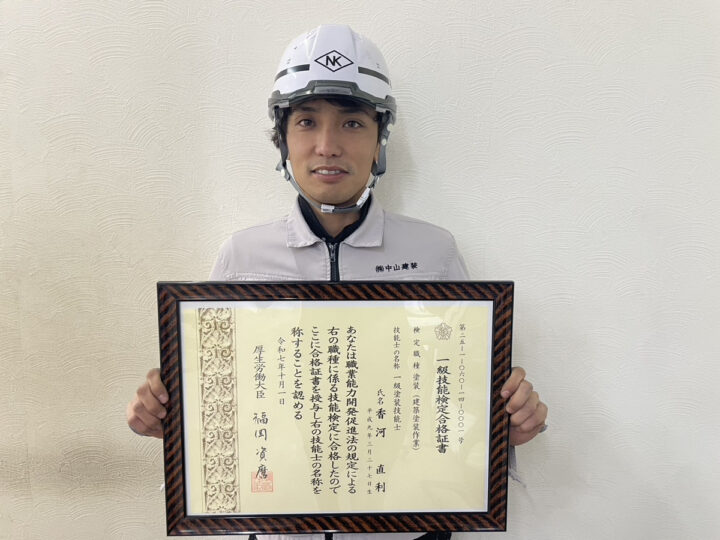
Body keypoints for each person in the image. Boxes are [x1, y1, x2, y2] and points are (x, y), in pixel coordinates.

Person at [127, 23, 548, 536]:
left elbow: (457, 404)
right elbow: (225, 414)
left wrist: (507, 425)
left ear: (379, 140)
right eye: (307, 122)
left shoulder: (433, 254)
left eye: (352, 123)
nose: (327, 146)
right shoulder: (241, 258)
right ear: (283, 139)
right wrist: (172, 419)